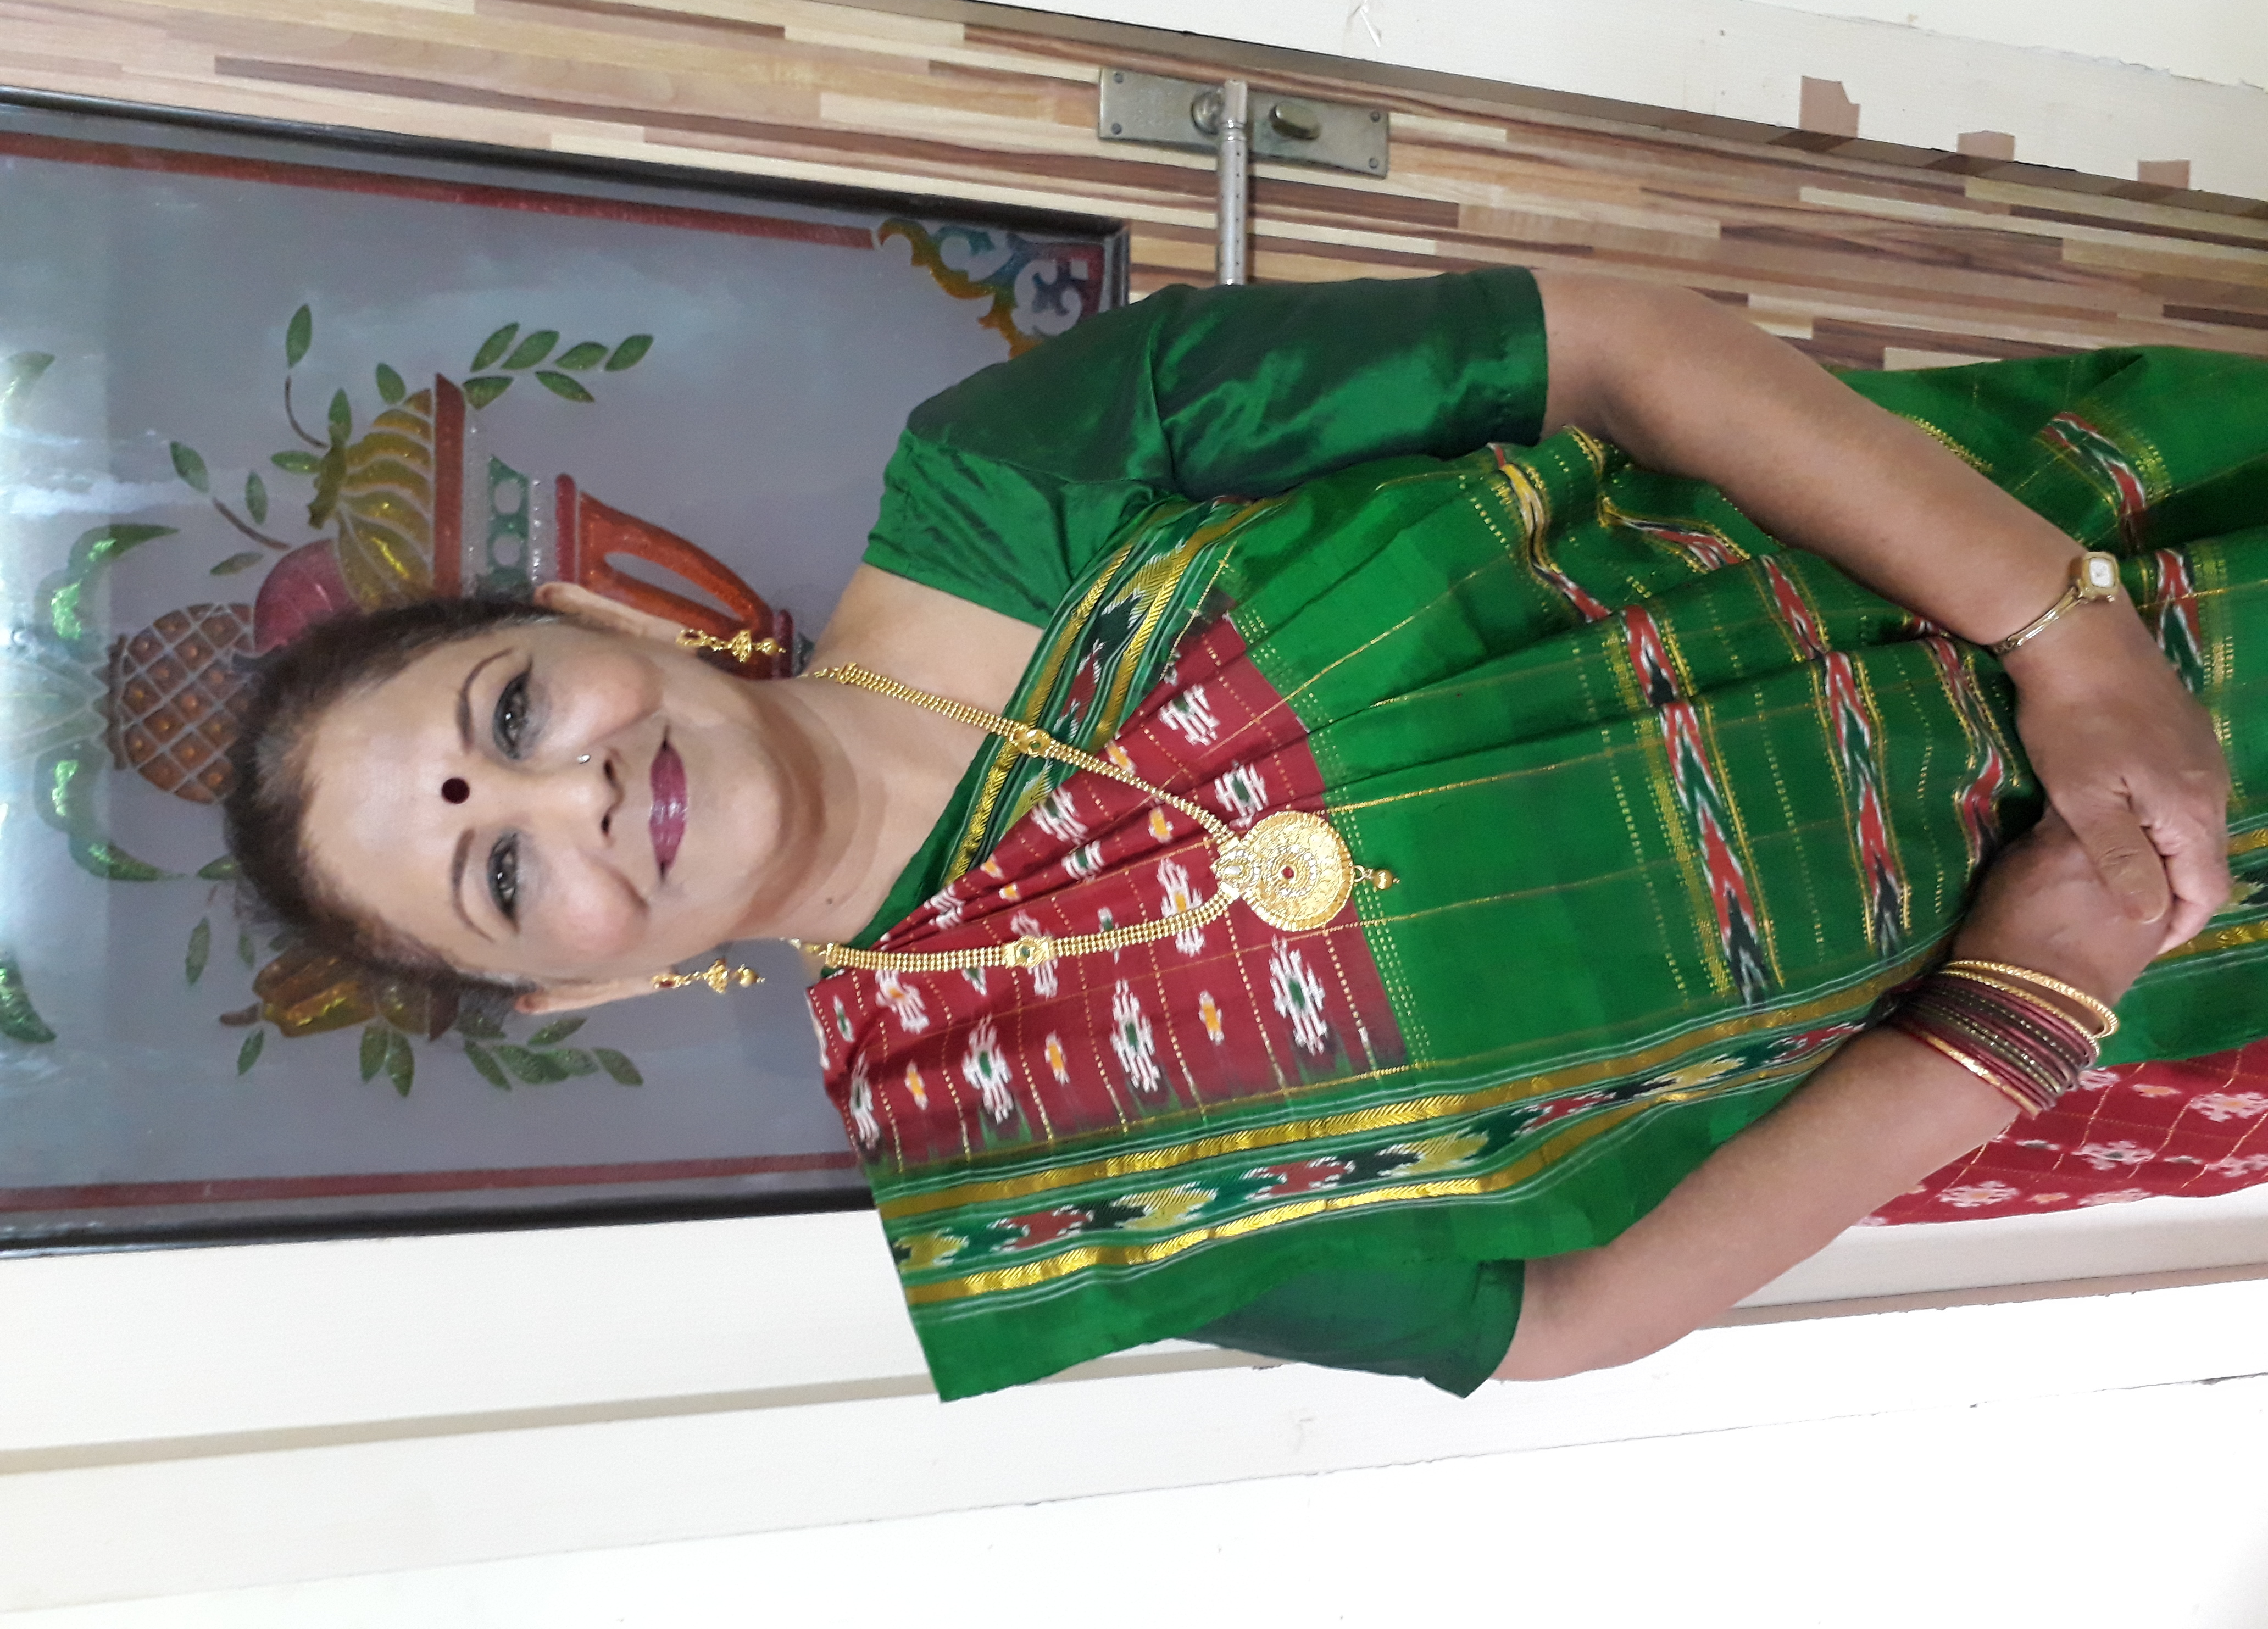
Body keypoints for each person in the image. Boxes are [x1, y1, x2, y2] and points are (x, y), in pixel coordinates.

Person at [224, 268, 2264, 1401]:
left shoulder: (1028, 475)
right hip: (2160, 958)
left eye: (512, 717)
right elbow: (1562, 1316)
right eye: (505, 872)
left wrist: (2066, 639)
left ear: (594, 618)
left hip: (2117, 574)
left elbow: (1624, 353)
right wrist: (2021, 1001)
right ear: (581, 987)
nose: (573, 793)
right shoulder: (1039, 1184)